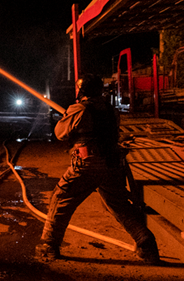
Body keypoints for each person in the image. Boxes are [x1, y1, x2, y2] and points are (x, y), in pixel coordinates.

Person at [35, 74, 161, 264]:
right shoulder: (111, 110)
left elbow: (60, 133)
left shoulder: (79, 109)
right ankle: (147, 244)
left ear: (82, 91)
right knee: (118, 204)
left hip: (88, 164)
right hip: (111, 164)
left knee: (61, 198)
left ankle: (49, 246)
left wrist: (68, 118)